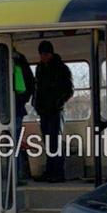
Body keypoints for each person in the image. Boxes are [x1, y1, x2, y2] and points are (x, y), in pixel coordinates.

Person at [33, 40, 73, 183]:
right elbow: (37, 89)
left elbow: (69, 90)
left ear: (50, 53)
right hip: (43, 111)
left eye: (45, 54)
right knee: (48, 142)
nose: (43, 57)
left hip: (56, 111)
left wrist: (58, 103)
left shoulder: (62, 68)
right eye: (41, 54)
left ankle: (58, 173)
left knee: (55, 141)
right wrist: (36, 105)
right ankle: (50, 171)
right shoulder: (39, 69)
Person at [13, 48, 35, 185]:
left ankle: (14, 176)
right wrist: (22, 101)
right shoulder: (21, 61)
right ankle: (18, 175)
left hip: (9, 109)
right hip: (18, 109)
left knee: (12, 143)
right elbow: (30, 85)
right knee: (15, 142)